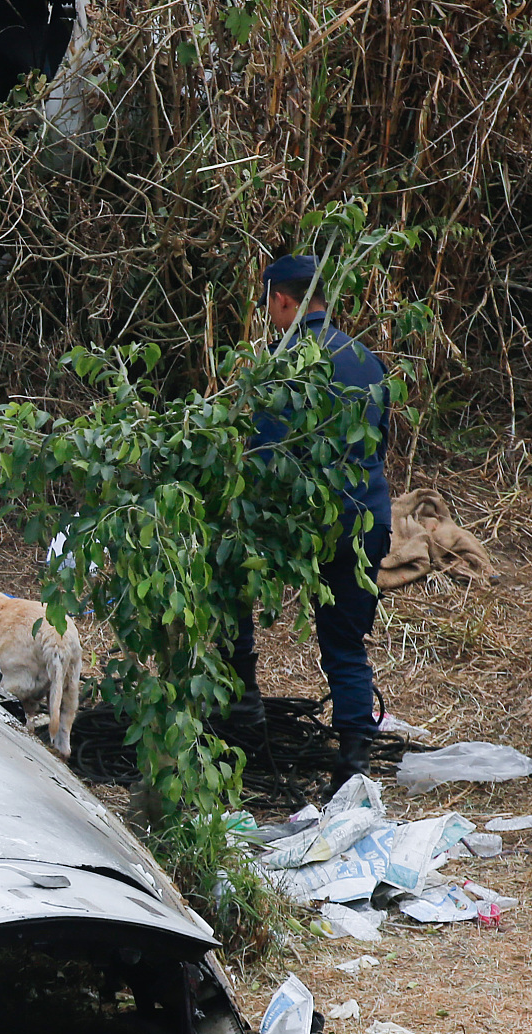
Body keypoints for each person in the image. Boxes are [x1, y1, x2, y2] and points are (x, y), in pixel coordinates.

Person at [232, 252, 392, 788]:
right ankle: (354, 762)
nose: (270, 319)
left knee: (232, 596)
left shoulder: (287, 364)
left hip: (308, 526)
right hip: (368, 519)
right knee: (344, 644)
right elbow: (379, 445)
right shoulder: (367, 359)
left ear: (283, 300)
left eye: (270, 308)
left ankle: (242, 716)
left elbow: (265, 458)